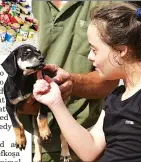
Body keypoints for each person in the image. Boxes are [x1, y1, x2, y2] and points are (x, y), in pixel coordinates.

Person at [33, 1, 141, 162]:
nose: (90, 57)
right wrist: (56, 103)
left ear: (121, 51)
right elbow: (90, 150)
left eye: (94, 50)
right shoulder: (116, 97)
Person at [29, 1, 118, 161]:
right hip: (14, 144)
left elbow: (113, 78)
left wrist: (71, 83)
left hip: (82, 146)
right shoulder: (12, 4)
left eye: (94, 50)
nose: (91, 55)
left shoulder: (107, 4)